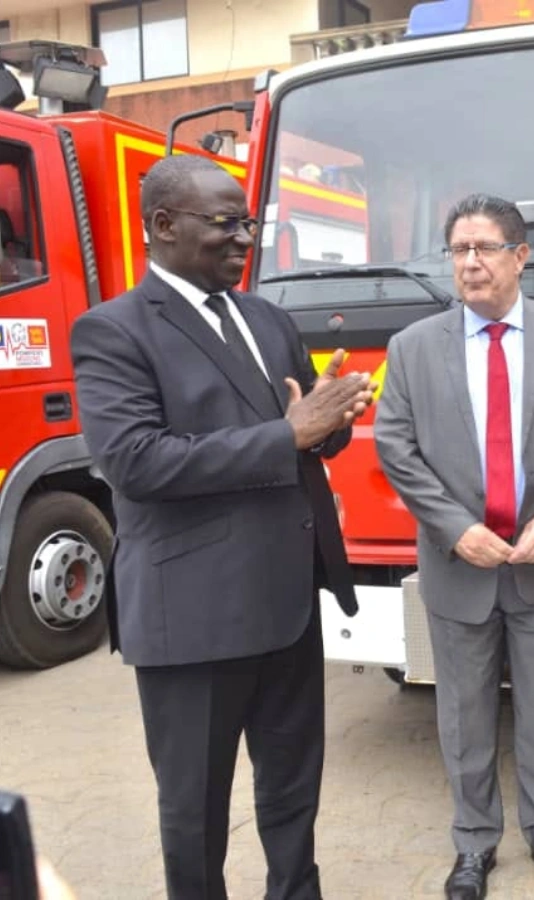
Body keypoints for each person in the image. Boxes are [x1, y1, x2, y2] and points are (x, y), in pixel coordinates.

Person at [70, 154, 374, 900]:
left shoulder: (267, 318)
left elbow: (303, 432)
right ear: (164, 226)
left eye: (249, 223)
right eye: (225, 223)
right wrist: (293, 432)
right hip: (194, 617)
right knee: (195, 810)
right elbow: (138, 462)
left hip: (286, 602)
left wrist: (331, 418)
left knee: (294, 792)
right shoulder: (112, 332)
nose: (244, 238)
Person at [373, 194, 534, 900]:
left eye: (484, 248)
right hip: (461, 567)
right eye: (459, 251)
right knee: (463, 715)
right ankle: (474, 845)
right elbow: (396, 447)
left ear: (520, 256)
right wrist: (457, 528)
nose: (471, 263)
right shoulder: (412, 348)